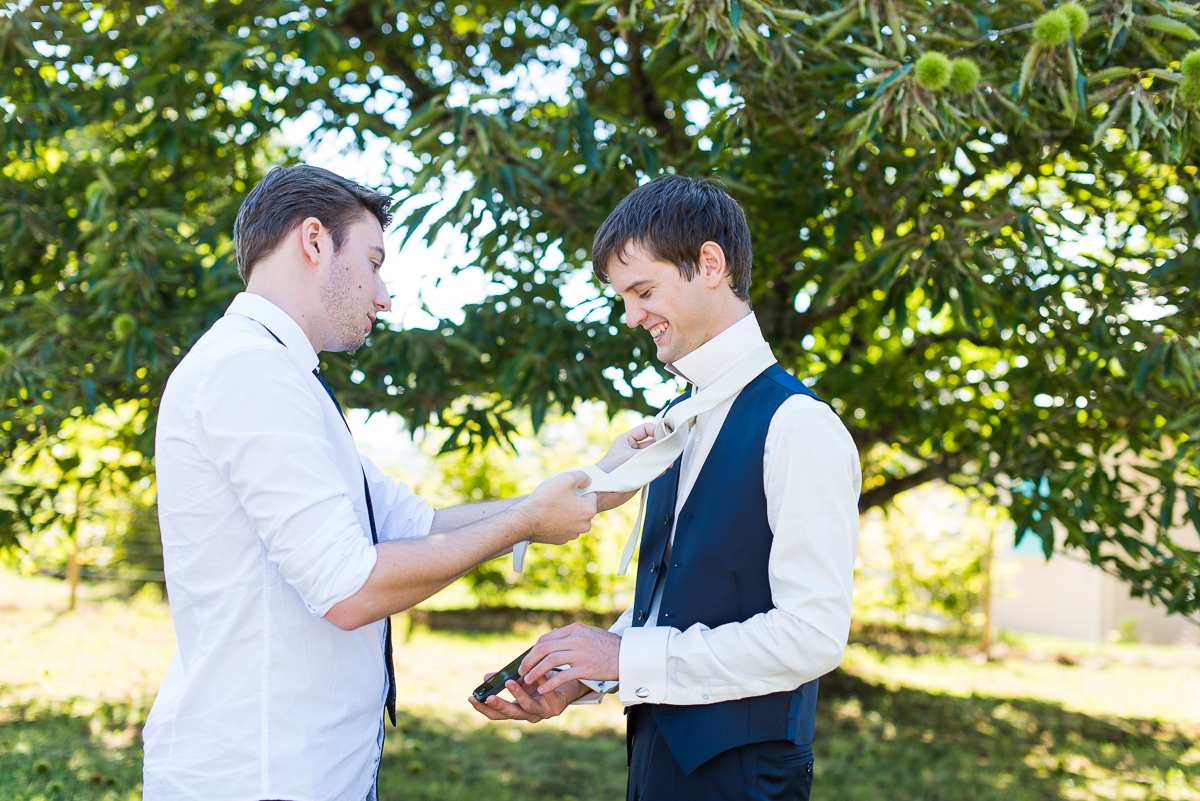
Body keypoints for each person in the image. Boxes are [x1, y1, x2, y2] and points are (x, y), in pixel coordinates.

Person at [142, 165, 650, 801]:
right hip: (262, 770)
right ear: (314, 241)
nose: (384, 295)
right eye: (375, 261)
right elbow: (348, 588)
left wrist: (595, 488)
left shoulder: (284, 377)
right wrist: (525, 523)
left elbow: (419, 526)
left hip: (310, 767)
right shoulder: (250, 372)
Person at [469, 174, 862, 800]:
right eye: (623, 298)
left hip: (743, 777)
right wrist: (586, 676)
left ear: (711, 264)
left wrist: (626, 659)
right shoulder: (682, 417)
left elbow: (812, 635)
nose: (631, 316)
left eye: (643, 290)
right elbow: (681, 599)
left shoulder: (798, 425)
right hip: (657, 758)